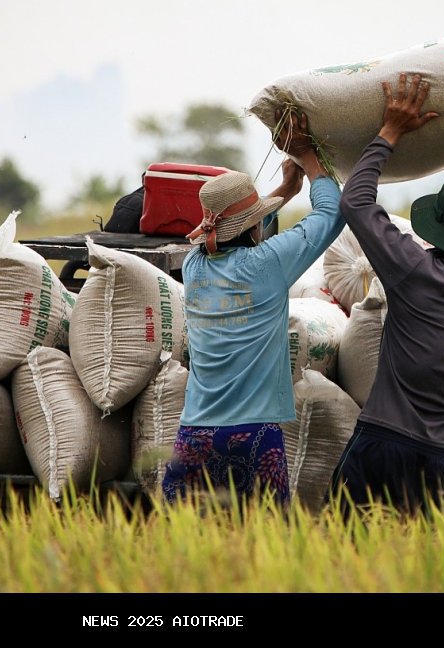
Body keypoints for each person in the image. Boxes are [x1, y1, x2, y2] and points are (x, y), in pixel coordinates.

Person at [328, 72, 444, 515]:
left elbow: (355, 202)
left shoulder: (413, 268)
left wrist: (390, 131)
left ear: (434, 229)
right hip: (438, 461)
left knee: (339, 559)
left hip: (381, 443)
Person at [160, 110, 342, 507]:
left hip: (194, 434)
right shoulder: (268, 264)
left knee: (182, 548)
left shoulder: (194, 266)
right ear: (254, 227)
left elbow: (238, 231)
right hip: (253, 435)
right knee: (265, 549)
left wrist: (284, 191)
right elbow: (330, 214)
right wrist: (308, 157)